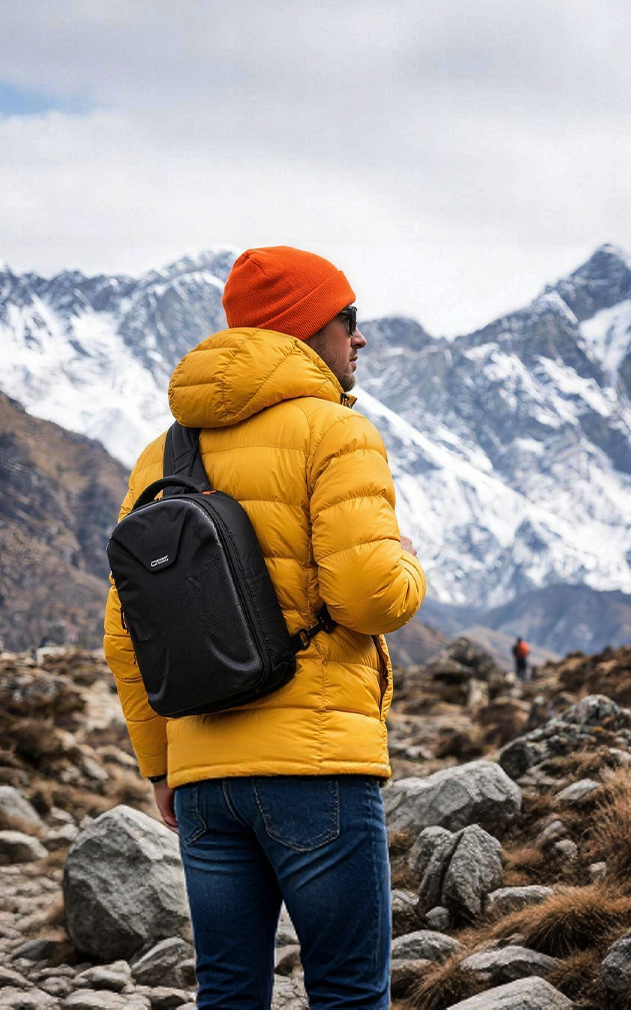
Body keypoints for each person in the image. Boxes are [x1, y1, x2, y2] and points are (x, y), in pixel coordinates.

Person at [103, 246, 427, 1010]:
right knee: (348, 994)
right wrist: (409, 566)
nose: (360, 337)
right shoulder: (336, 432)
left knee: (228, 995)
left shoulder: (161, 455)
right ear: (307, 328)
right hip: (316, 765)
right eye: (348, 319)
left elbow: (126, 635)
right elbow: (368, 598)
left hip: (203, 780)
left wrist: (161, 768)